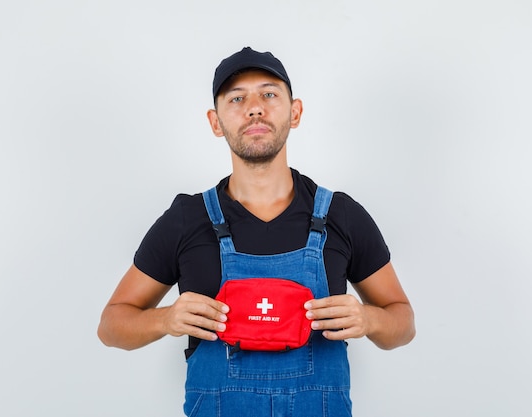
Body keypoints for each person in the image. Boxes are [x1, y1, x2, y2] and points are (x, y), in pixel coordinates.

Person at [98, 46, 415, 417]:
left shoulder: (341, 216)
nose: (254, 107)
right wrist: (164, 319)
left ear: (294, 112)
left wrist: (371, 319)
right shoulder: (188, 218)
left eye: (269, 93)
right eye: (236, 98)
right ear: (215, 122)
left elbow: (403, 322)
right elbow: (111, 325)